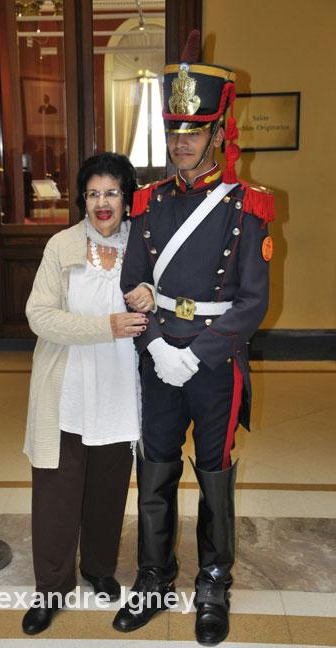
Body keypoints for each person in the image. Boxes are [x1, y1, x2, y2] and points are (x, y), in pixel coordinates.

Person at [113, 30, 275, 645]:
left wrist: (196, 352)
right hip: (158, 360)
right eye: (174, 131)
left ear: (217, 132)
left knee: (214, 473)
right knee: (154, 470)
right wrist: (155, 344)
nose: (181, 143)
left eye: (194, 131)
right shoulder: (147, 202)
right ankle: (154, 576)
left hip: (213, 363)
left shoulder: (246, 206)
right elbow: (132, 282)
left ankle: (213, 580)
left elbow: (253, 302)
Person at [22, 152, 155, 635]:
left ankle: (98, 568)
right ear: (83, 199)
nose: (103, 203)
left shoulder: (144, 244)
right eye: (94, 193)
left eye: (112, 193)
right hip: (69, 388)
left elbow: (168, 296)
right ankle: (51, 587)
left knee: (108, 488)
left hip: (120, 388)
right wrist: (106, 326)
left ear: (127, 198)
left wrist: (152, 294)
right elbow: (39, 315)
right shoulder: (61, 245)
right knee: (56, 494)